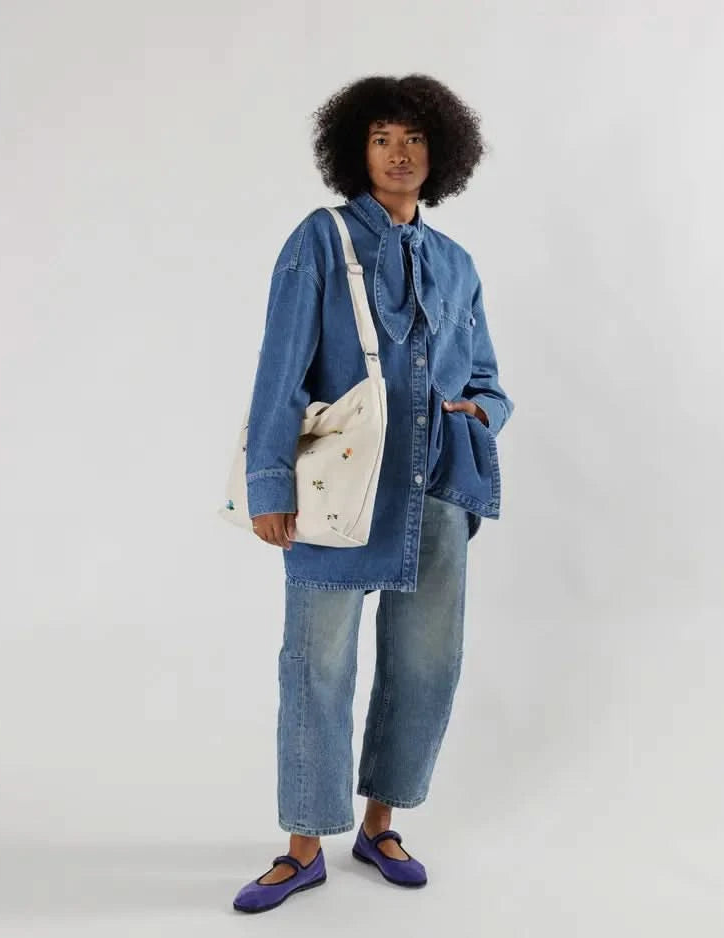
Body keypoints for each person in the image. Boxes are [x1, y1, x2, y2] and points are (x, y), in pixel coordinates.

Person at [232, 73, 515, 914]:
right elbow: (280, 371)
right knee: (316, 663)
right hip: (335, 494)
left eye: (417, 139)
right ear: (356, 149)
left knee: (426, 663)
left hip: (437, 490)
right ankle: (302, 846)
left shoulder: (457, 264)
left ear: (442, 155)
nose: (401, 153)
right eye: (384, 137)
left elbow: (493, 384)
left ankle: (380, 825)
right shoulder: (318, 242)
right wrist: (268, 482)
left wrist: (475, 414)